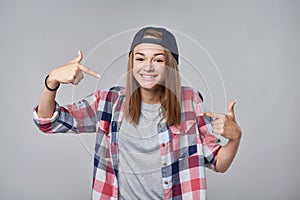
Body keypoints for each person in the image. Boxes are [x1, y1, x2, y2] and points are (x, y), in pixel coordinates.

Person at [33, 26, 242, 200]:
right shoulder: (108, 102)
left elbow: (218, 162)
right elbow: (48, 122)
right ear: (131, 63)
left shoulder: (190, 100)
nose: (148, 67)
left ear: (171, 65)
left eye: (158, 60)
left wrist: (235, 138)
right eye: (140, 58)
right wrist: (51, 82)